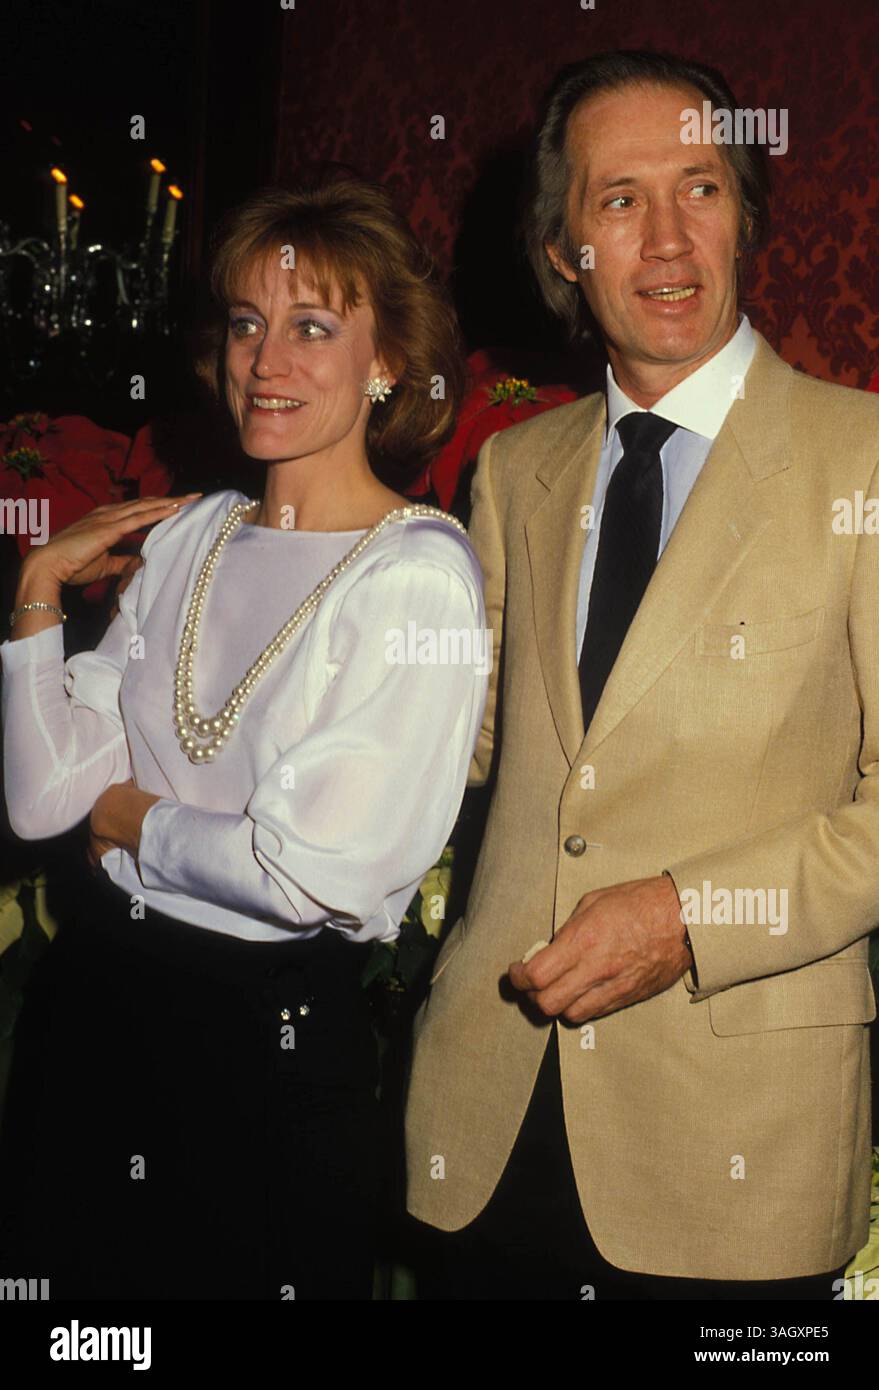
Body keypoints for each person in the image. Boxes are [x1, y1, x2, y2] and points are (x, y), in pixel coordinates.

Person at [405, 49, 878, 1300]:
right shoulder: (515, 469)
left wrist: (688, 917)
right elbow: (470, 747)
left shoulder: (862, 457)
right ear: (565, 248)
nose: (669, 237)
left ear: (746, 215)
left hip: (735, 1156)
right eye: (620, 200)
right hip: (490, 1122)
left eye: (702, 187)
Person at [0, 176, 487, 1300]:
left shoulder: (417, 575)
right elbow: (38, 801)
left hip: (261, 1049)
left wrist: (131, 818)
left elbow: (305, 871)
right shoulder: (191, 533)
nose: (267, 361)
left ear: (385, 364)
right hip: (92, 1020)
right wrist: (34, 594)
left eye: (313, 327)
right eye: (247, 324)